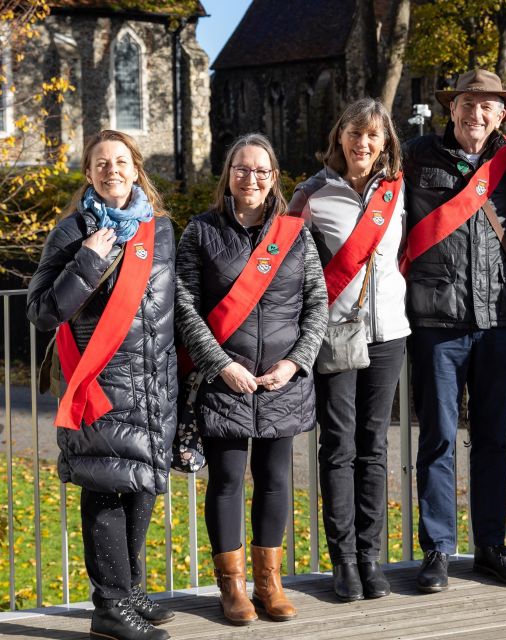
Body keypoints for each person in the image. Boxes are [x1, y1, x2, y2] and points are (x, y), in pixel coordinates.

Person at [27, 130, 176, 640]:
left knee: (140, 488)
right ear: (89, 174)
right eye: (101, 163)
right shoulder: (71, 232)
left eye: (121, 161)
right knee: (107, 492)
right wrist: (88, 260)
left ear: (136, 169)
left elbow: (170, 305)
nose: (112, 169)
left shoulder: (161, 229)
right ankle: (110, 607)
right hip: (101, 384)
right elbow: (42, 311)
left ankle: (129, 589)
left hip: (153, 383)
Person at [175, 133, 327, 625]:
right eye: (242, 169)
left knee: (276, 480)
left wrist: (295, 363)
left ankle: (269, 583)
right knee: (226, 480)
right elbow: (185, 306)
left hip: (281, 380)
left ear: (274, 178)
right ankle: (233, 588)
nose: (251, 178)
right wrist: (220, 364)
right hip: (225, 378)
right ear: (228, 175)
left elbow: (317, 304)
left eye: (261, 170)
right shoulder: (201, 232)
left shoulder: (295, 234)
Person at [401, 68, 506, 592]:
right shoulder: (417, 156)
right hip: (436, 321)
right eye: (466, 103)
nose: (475, 113)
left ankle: (490, 547)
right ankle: (437, 549)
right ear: (451, 108)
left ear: (501, 114)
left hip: (498, 319)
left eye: (486, 105)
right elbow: (364, 186)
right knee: (437, 437)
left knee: (492, 439)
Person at [289, 99, 409, 602]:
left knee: (374, 446)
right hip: (336, 335)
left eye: (373, 135)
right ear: (339, 136)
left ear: (385, 143)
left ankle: (369, 557)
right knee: (339, 447)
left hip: (389, 335)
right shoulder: (311, 194)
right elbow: (286, 266)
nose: (363, 143)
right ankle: (343, 561)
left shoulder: (398, 190)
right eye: (355, 133)